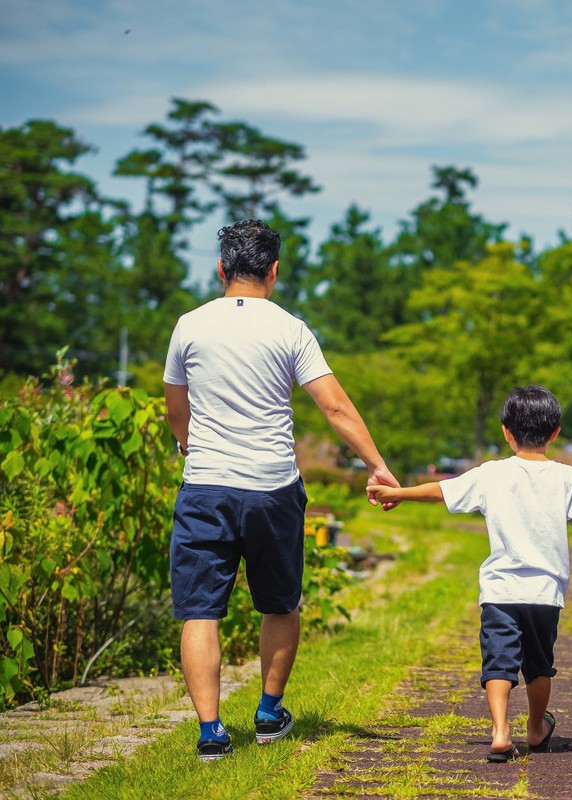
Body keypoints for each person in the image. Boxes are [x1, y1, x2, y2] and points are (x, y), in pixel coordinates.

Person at [164, 219, 400, 761]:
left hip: (205, 485)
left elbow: (178, 410)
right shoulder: (291, 329)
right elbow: (335, 407)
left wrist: (188, 447)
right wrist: (378, 466)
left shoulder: (188, 325)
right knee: (279, 603)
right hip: (272, 486)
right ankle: (269, 715)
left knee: (200, 610)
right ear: (274, 271)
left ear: (221, 269)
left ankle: (210, 733)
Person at [367, 385, 572, 762]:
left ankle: (500, 732)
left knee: (498, 661)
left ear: (506, 431)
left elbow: (442, 491)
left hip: (500, 591)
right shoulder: (566, 477)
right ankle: (536, 728)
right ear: (555, 433)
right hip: (544, 593)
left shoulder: (492, 474)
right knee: (539, 665)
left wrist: (398, 494)